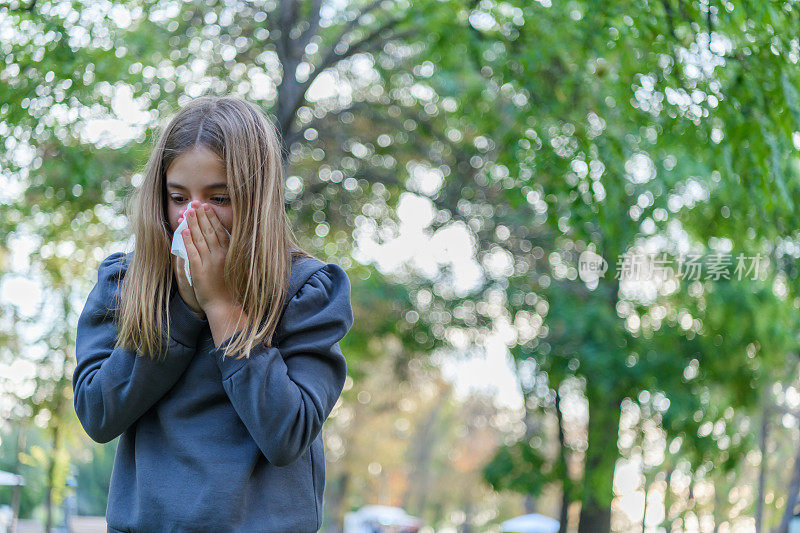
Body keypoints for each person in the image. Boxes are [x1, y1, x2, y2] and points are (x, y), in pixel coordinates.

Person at [72, 95, 354, 532]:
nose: (194, 217)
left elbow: (288, 434)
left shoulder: (306, 291)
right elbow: (98, 414)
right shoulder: (125, 284)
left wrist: (223, 307)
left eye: (219, 197)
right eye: (178, 197)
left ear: (256, 199)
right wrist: (182, 310)